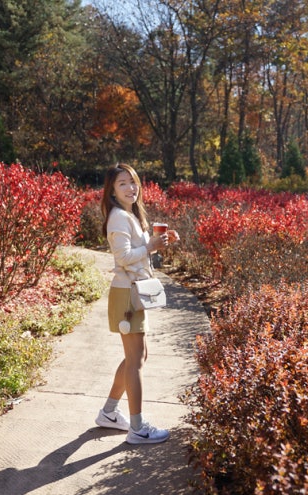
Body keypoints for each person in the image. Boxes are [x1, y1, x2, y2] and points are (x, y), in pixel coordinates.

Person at [94, 163, 179, 444]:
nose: (130, 188)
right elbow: (124, 257)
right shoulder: (119, 217)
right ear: (112, 191)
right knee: (136, 361)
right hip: (126, 295)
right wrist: (150, 246)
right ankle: (137, 428)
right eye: (122, 184)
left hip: (132, 292)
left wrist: (157, 243)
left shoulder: (130, 215)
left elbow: (138, 254)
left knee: (137, 357)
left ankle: (108, 413)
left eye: (132, 182)